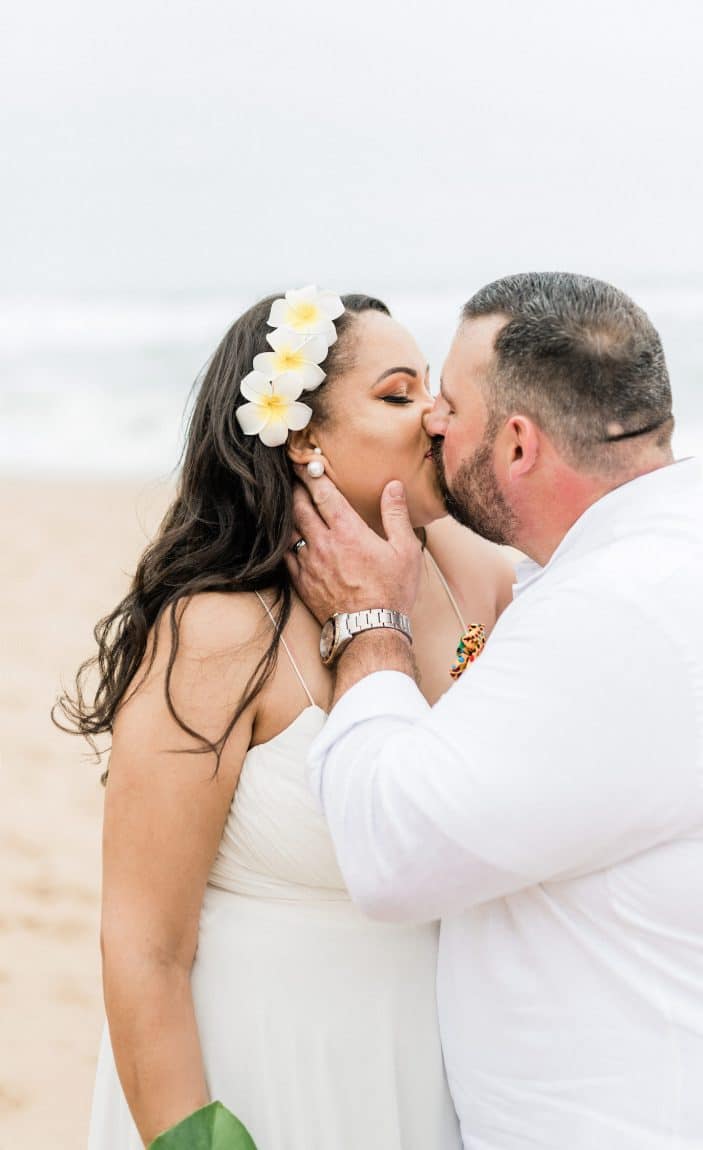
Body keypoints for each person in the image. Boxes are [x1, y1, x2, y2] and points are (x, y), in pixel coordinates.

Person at [290, 272, 703, 1150]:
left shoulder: (626, 609)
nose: (432, 420)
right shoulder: (686, 555)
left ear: (516, 445)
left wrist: (369, 625)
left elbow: (392, 850)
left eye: (451, 404)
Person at [58, 288, 516, 1149]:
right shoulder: (217, 632)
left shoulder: (474, 577)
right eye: (396, 394)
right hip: (260, 1071)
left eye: (434, 390)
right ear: (300, 435)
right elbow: (143, 944)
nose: (437, 417)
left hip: (429, 1079)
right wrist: (193, 1137)